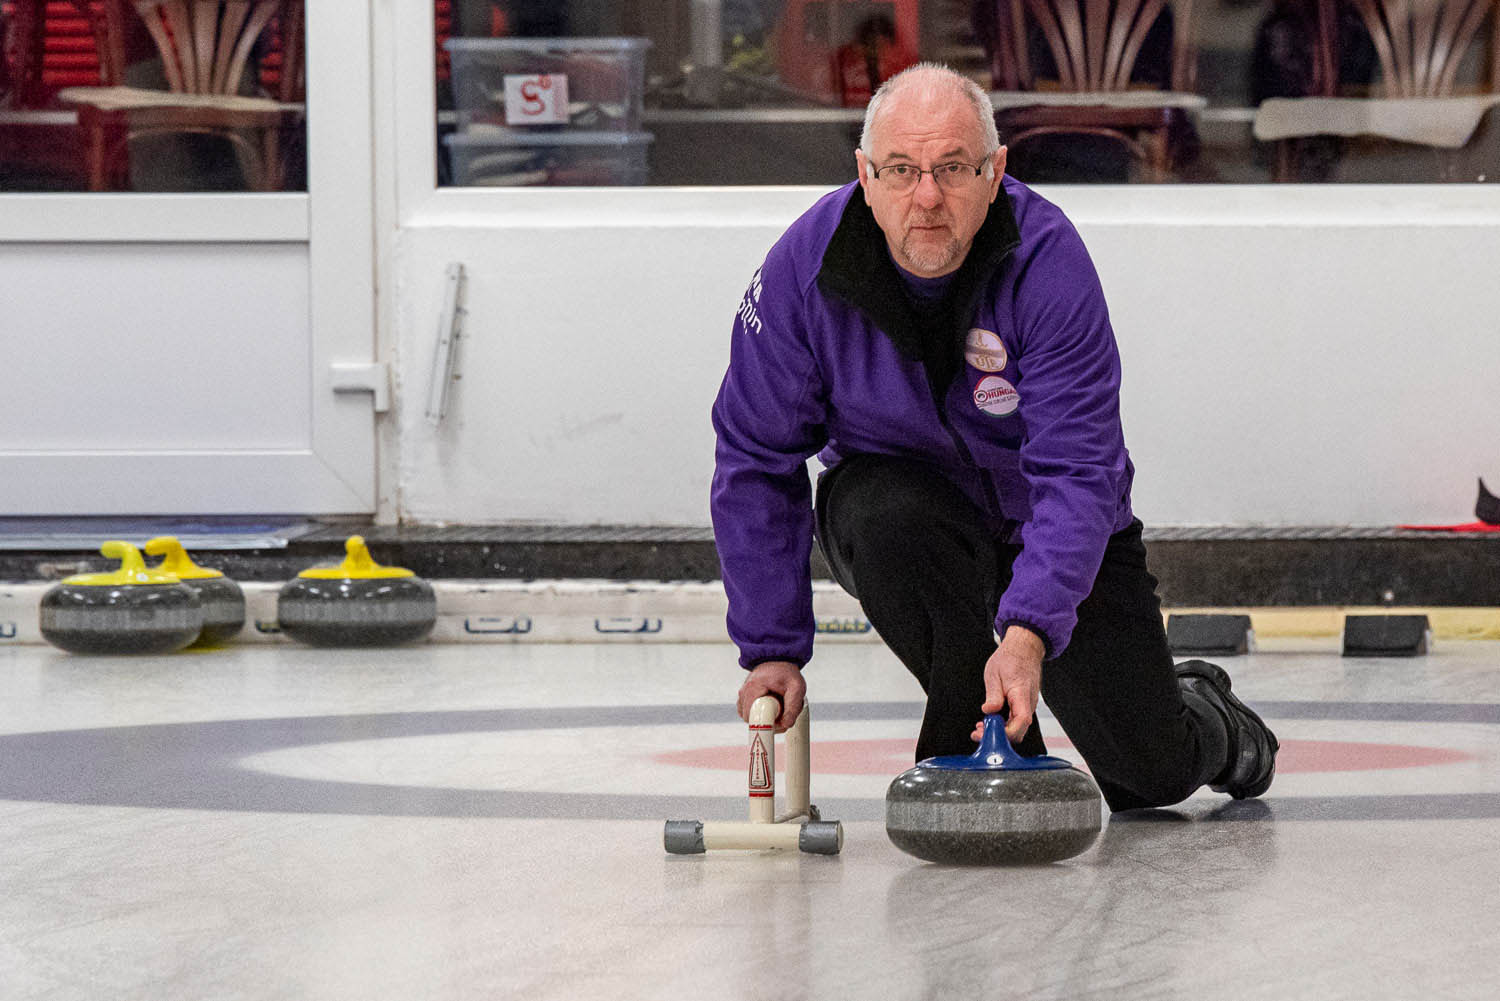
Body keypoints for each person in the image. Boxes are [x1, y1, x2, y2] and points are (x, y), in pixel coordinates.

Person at [710, 63, 1278, 812]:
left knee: (1150, 776)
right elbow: (755, 458)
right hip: (908, 518)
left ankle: (1208, 711)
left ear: (995, 170)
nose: (927, 196)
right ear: (864, 175)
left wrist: (1030, 630)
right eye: (902, 170)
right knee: (883, 516)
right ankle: (978, 766)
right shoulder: (803, 274)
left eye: (952, 168)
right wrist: (772, 646)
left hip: (1048, 524)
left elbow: (1080, 471)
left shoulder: (1048, 262)